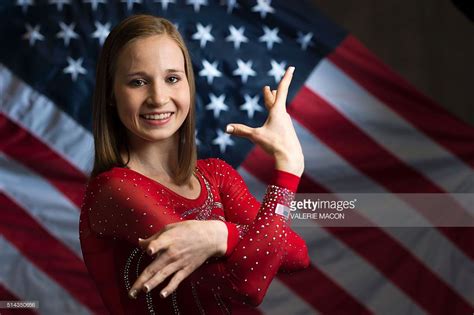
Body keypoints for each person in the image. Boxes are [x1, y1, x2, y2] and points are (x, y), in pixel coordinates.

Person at [79, 14, 309, 315]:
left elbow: (296, 253)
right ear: (111, 93)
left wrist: (218, 236)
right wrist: (287, 172)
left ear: (188, 84)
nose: (158, 98)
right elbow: (246, 284)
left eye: (172, 78)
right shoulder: (115, 191)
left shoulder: (215, 174)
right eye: (138, 82)